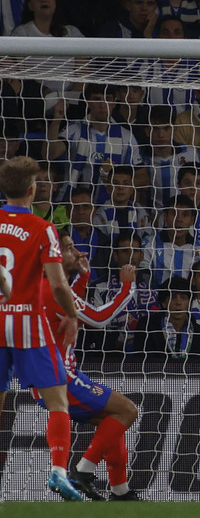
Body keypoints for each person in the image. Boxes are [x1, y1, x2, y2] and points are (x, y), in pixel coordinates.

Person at [0, 156, 83, 501]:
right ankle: (59, 472)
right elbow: (59, 284)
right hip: (28, 326)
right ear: (32, 190)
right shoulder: (42, 228)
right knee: (58, 401)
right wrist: (72, 315)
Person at [37, 234, 140, 501]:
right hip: (60, 377)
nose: (78, 252)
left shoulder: (48, 286)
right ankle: (83, 470)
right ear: (54, 256)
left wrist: (83, 277)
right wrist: (127, 287)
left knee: (113, 418)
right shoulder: (53, 290)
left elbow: (70, 308)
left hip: (52, 375)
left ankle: (120, 490)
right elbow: (99, 318)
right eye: (70, 248)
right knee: (128, 411)